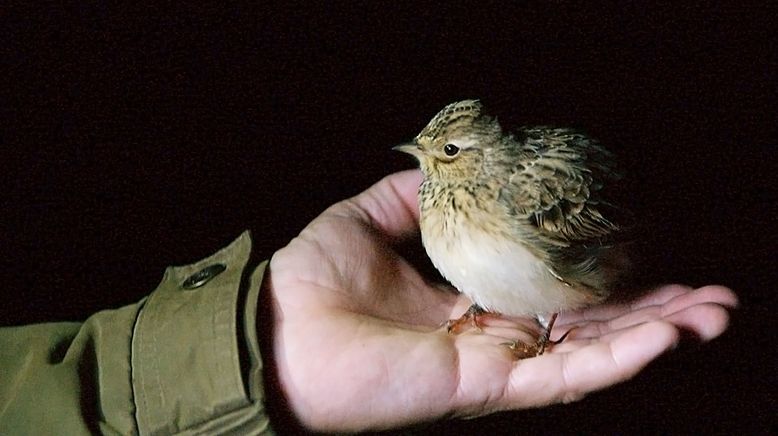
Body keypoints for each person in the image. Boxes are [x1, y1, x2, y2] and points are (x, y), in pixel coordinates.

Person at [0, 170, 737, 434]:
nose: (421, 162)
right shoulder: (444, 201)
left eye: (442, 152)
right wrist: (269, 345)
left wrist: (261, 341)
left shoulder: (518, 197)